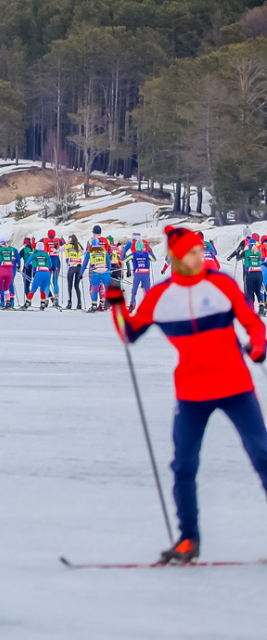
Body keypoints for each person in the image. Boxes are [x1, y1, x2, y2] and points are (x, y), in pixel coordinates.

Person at [108, 225, 267, 564]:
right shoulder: (160, 296)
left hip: (235, 386)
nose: (201, 257)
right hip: (192, 392)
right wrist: (117, 306)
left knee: (263, 456)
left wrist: (257, 345)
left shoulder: (221, 283)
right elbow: (129, 334)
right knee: (183, 466)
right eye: (194, 252)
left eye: (201, 251)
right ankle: (188, 540)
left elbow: (254, 323)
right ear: (178, 258)